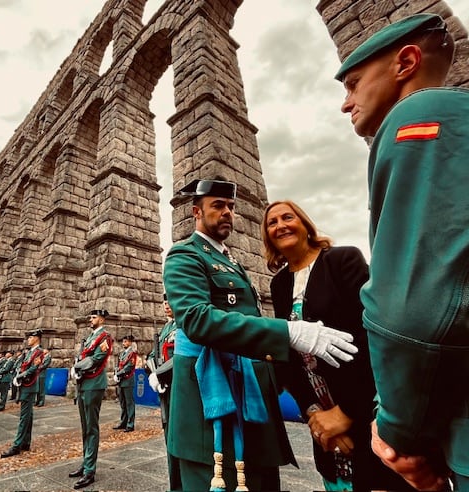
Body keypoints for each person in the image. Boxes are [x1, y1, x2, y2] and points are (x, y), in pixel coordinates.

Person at [335, 13, 469, 492]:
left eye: (353, 84)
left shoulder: (420, 115)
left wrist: (396, 432)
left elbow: (414, 306)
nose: (345, 102)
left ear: (406, 62)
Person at [162, 178, 359, 491]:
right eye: (217, 206)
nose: (227, 212)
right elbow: (197, 320)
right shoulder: (185, 256)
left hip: (251, 401)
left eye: (230, 207)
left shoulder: (232, 264)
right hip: (215, 404)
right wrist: (288, 332)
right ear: (196, 211)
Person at [263, 200, 415, 491]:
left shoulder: (343, 260)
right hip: (322, 421)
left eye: (287, 217)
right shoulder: (279, 284)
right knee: (337, 481)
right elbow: (289, 356)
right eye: (272, 223)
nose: (280, 225)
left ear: (305, 225)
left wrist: (346, 413)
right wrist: (313, 414)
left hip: (366, 410)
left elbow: (370, 338)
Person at [68, 308, 114, 489]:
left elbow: (96, 358)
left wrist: (78, 368)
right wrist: (76, 368)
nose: (90, 319)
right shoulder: (88, 337)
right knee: (85, 427)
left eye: (94, 317)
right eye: (90, 317)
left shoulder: (104, 337)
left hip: (94, 384)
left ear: (102, 319)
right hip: (83, 384)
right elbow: (82, 356)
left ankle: (90, 470)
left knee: (92, 427)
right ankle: (86, 461)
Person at [146, 293, 181, 491]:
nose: (166, 305)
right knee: (169, 436)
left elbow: (179, 354)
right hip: (165, 388)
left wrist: (161, 375)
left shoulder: (181, 325)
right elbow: (153, 355)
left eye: (170, 302)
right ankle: (174, 483)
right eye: (164, 302)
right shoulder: (166, 327)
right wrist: (152, 370)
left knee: (178, 436)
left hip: (177, 385)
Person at [1, 329, 45, 458]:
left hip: (29, 385)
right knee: (28, 416)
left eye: (30, 337)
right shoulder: (29, 352)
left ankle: (17, 445)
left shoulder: (39, 352)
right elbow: (24, 365)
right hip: (26, 385)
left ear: (37, 338)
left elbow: (33, 368)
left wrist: (20, 376)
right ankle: (26, 442)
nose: (28, 340)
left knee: (24, 417)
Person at [112, 334, 137, 432]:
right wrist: (116, 372)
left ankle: (130, 424)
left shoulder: (132, 353)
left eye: (126, 341)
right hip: (121, 381)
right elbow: (119, 365)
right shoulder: (122, 353)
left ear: (130, 342)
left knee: (129, 403)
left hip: (128, 380)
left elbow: (129, 367)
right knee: (122, 403)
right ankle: (124, 422)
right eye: (123, 341)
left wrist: (118, 374)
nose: (124, 343)